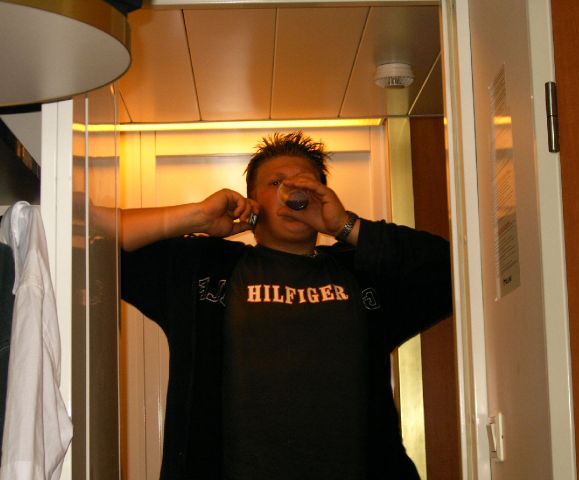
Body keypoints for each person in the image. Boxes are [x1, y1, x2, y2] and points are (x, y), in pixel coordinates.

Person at [120, 131, 453, 480]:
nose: (293, 193)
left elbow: (458, 271)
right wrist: (199, 216)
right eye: (276, 182)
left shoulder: (362, 271)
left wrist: (345, 226)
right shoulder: (205, 268)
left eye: (305, 184)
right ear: (252, 204)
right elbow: (100, 246)